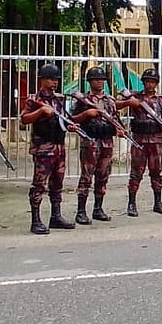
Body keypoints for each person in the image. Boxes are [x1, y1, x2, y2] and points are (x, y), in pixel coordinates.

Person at [20, 63, 76, 234]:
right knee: (39, 184)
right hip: (43, 147)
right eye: (51, 79)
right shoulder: (34, 99)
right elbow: (25, 119)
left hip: (59, 145)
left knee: (57, 183)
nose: (54, 82)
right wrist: (41, 112)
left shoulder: (59, 99)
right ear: (42, 80)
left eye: (56, 79)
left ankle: (56, 216)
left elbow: (63, 118)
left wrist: (70, 125)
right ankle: (35, 220)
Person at [116, 68, 162, 217]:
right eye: (147, 81)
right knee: (136, 173)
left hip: (156, 140)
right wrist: (129, 102)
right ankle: (132, 203)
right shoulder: (135, 96)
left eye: (153, 82)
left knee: (157, 172)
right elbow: (114, 105)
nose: (150, 85)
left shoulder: (160, 99)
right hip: (139, 140)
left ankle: (158, 202)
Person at [70, 66, 117, 225]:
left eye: (102, 79)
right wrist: (86, 114)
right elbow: (71, 119)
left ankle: (98, 208)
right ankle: (81, 211)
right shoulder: (82, 100)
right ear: (90, 82)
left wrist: (120, 129)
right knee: (86, 177)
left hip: (106, 142)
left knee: (103, 176)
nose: (100, 82)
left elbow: (115, 119)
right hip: (90, 142)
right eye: (97, 79)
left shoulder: (110, 101)